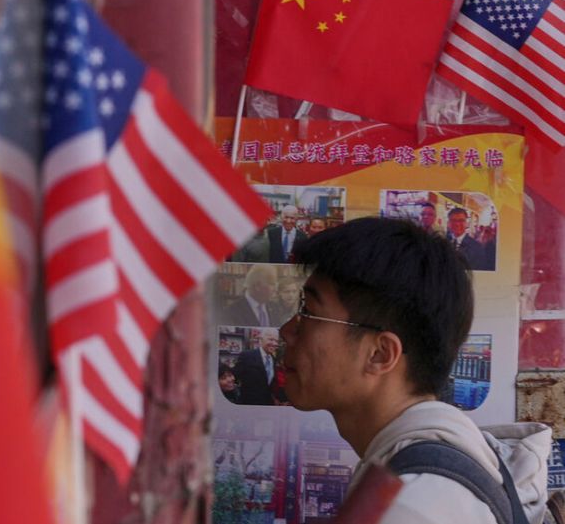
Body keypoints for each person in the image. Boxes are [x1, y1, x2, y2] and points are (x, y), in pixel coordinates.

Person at [278, 217, 550, 524]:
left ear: (380, 354)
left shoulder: (410, 505)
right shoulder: (418, 470)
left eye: (308, 312)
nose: (287, 331)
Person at [234, 329, 279, 405]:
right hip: (249, 404)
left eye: (276, 341)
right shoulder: (247, 356)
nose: (274, 343)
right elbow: (235, 377)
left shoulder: (273, 359)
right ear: (261, 339)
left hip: (267, 403)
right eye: (271, 339)